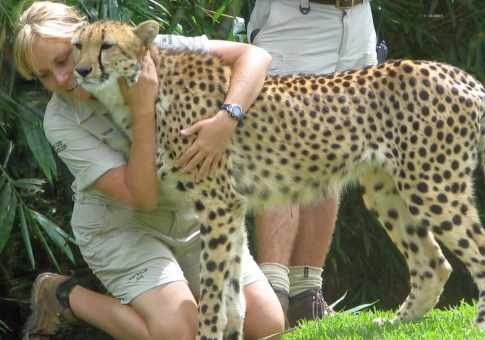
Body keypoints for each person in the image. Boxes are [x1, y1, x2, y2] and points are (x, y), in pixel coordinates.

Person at [14, 1, 283, 339]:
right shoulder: (59, 121)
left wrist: (227, 118)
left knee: (268, 324)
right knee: (180, 334)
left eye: (63, 60)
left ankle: (172, 304)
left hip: (193, 219)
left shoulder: (141, 46)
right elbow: (142, 197)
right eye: (44, 76)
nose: (64, 77)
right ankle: (63, 296)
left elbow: (255, 57)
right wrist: (143, 109)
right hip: (122, 227)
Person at [246, 0, 379, 328]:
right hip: (296, 18)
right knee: (283, 152)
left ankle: (307, 296)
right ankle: (273, 296)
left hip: (357, 18)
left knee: (333, 152)